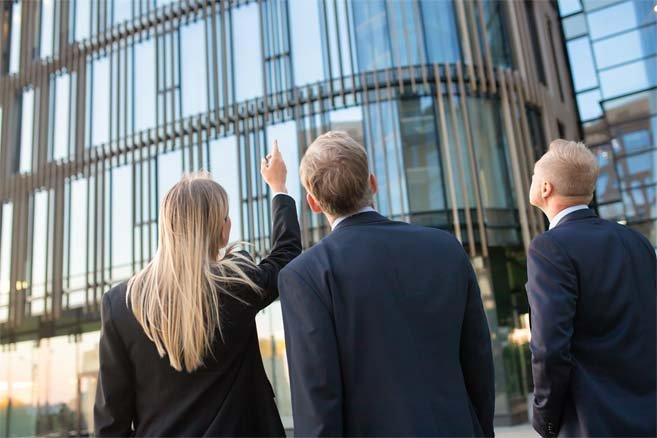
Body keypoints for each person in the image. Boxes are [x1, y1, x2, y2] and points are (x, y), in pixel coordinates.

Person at [278, 131, 495, 436]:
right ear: (373, 183)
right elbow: (478, 365)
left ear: (313, 202)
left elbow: (318, 404)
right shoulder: (446, 247)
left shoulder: (305, 275)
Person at [94, 142, 301, 436]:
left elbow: (110, 425)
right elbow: (286, 256)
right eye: (227, 217)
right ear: (220, 230)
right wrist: (278, 186)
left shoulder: (121, 304)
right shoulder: (236, 285)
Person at [526, 139, 656, 437]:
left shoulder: (549, 247)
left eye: (534, 175)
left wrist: (545, 420)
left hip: (591, 424)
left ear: (546, 188)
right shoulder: (637, 242)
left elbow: (549, 349)